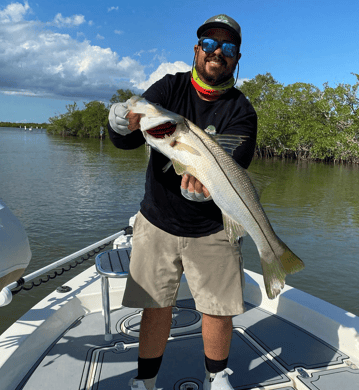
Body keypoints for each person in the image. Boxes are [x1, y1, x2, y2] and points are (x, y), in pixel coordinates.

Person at [108, 14, 257, 390]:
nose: (216, 52)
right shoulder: (170, 89)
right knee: (155, 307)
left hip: (212, 227)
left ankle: (218, 376)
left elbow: (233, 171)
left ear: (237, 58)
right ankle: (145, 382)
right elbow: (131, 135)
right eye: (208, 44)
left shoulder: (242, 111)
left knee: (218, 309)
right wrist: (120, 123)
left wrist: (205, 189)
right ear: (196, 49)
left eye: (228, 47)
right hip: (157, 221)